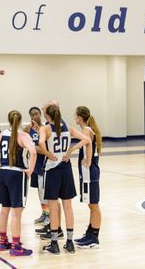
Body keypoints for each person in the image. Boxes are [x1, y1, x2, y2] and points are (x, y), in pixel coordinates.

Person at [39, 104, 90, 255]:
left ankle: (54, 244)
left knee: (53, 207)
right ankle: (69, 242)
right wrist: (71, 150)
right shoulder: (68, 128)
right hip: (66, 169)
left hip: (53, 170)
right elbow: (86, 139)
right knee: (68, 207)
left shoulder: (46, 128)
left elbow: (41, 143)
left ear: (47, 116)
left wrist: (49, 155)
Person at [0, 110, 37, 257]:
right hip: (17, 174)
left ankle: (3, 242)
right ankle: (16, 246)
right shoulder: (23, 135)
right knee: (17, 213)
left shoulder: (2, 134)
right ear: (21, 121)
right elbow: (33, 152)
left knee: (4, 209)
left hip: (3, 173)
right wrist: (30, 170)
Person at [74, 106, 102, 249]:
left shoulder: (86, 130)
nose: (74, 117)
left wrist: (88, 160)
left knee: (94, 205)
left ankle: (94, 237)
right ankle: (90, 233)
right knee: (91, 205)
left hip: (90, 172)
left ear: (80, 117)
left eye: (75, 115)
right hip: (87, 173)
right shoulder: (88, 130)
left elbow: (88, 144)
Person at [25, 106, 50, 226]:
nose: (35, 116)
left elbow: (44, 149)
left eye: (36, 114)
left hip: (44, 163)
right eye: (32, 114)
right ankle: (44, 213)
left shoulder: (44, 128)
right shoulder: (28, 129)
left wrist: (33, 148)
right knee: (40, 192)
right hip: (34, 164)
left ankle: (49, 215)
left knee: (45, 190)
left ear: (40, 114)